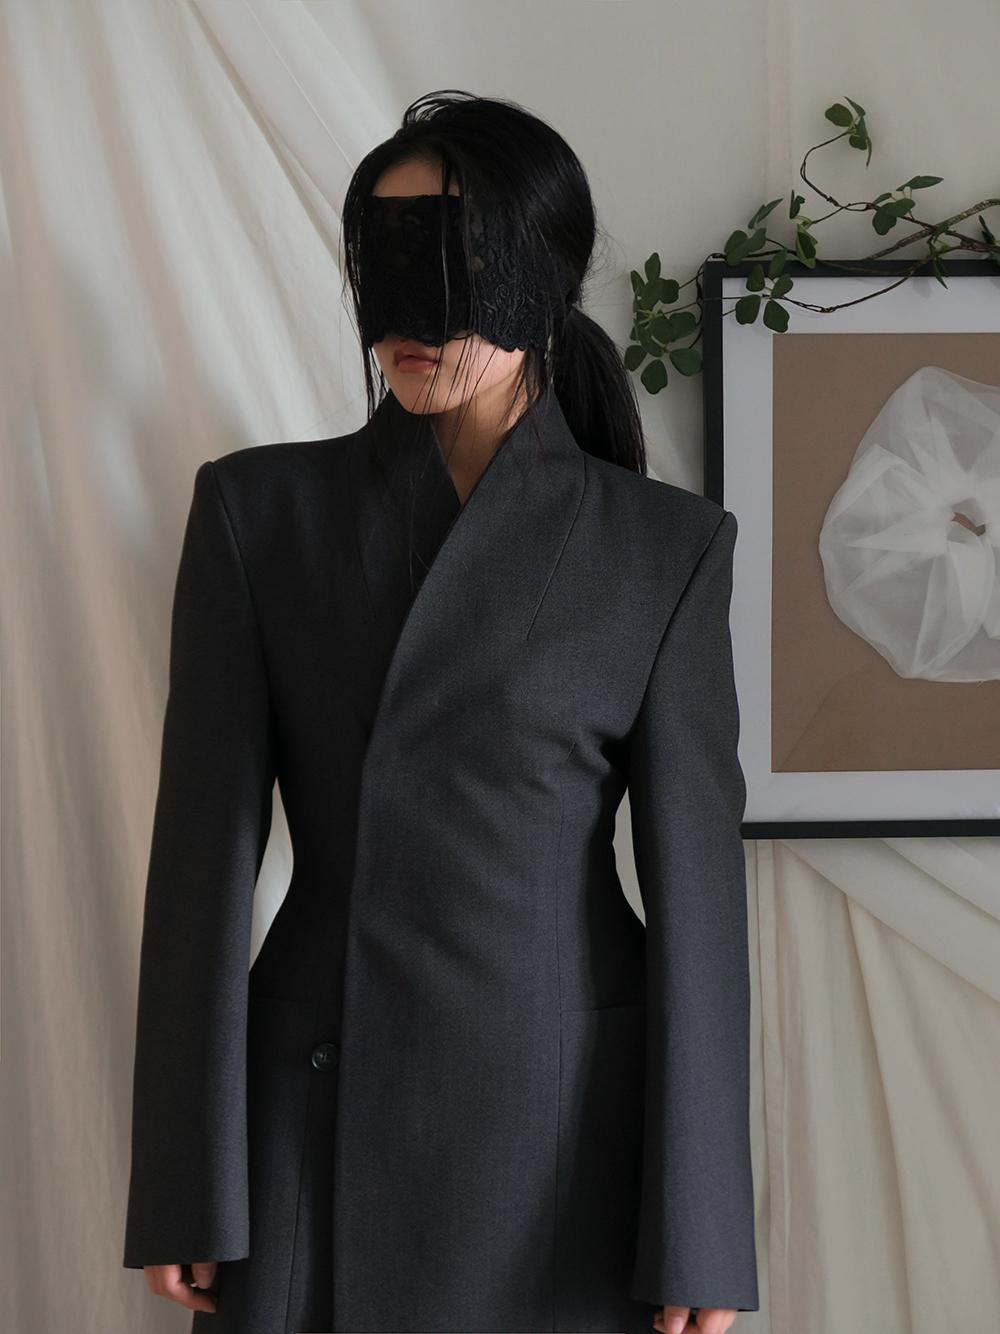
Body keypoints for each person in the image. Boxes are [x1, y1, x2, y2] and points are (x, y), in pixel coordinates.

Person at [123, 90, 759, 1334]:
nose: (410, 317)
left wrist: (702, 1230)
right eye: (386, 257)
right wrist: (186, 1185)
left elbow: (700, 905)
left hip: (560, 1133)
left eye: (456, 258)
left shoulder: (661, 549)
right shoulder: (261, 516)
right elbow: (199, 866)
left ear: (540, 279)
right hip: (312, 1115)